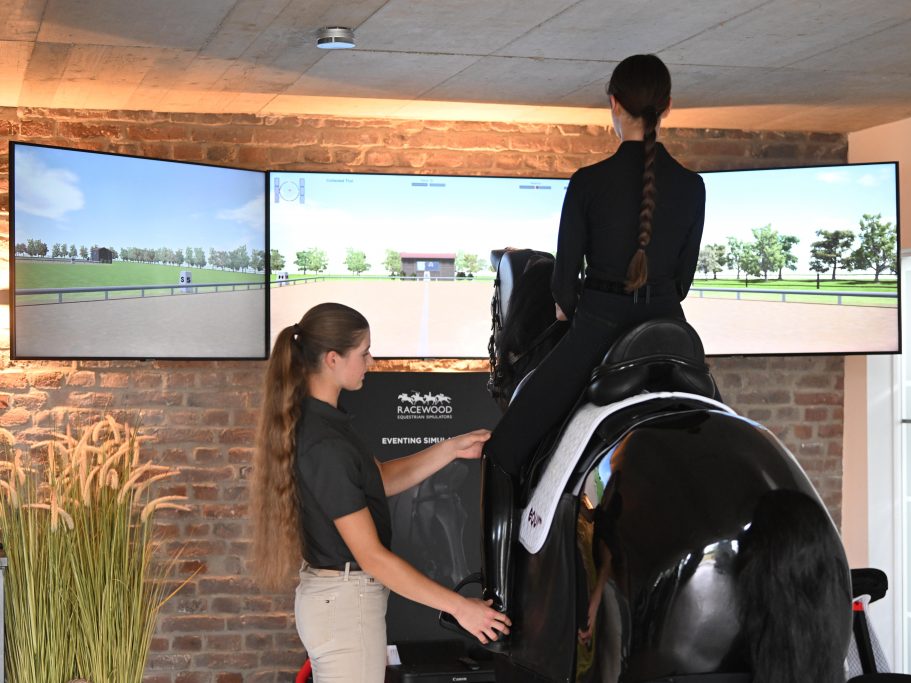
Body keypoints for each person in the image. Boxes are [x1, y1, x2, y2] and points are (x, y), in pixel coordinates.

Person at [480, 54, 706, 612]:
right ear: (668, 107)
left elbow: (562, 284)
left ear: (613, 105)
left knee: (503, 450)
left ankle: (498, 595)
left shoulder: (587, 183)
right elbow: (682, 280)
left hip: (597, 332)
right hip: (671, 335)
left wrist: (576, 310)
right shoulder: (694, 186)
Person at [250, 302, 511, 682]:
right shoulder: (323, 444)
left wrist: (450, 448)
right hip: (344, 609)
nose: (371, 361)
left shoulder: (328, 422)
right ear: (333, 359)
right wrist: (460, 608)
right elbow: (372, 557)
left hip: (343, 605)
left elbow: (380, 480)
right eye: (364, 352)